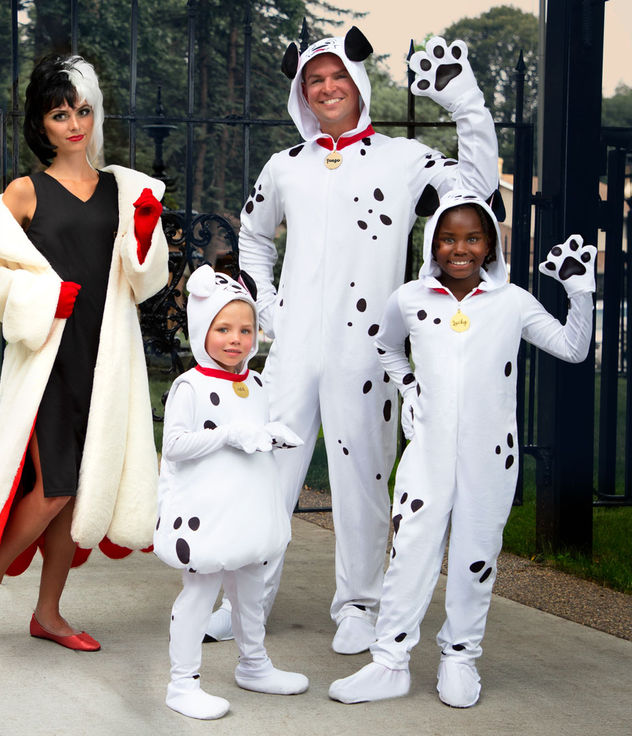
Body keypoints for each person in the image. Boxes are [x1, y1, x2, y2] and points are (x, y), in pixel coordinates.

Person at [206, 28, 499, 654]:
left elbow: (476, 185)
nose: (328, 88)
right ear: (302, 93)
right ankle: (244, 599)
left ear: (358, 82)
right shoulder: (284, 166)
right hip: (293, 347)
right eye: (315, 80)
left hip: (367, 348)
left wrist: (465, 105)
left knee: (364, 476)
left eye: (337, 76)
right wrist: (266, 307)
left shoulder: (404, 158)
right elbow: (254, 236)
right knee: (265, 468)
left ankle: (360, 604)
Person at [328, 190, 595, 707]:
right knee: (410, 551)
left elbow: (573, 348)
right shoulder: (410, 298)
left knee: (478, 553)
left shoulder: (512, 302)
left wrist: (579, 292)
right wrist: (409, 388)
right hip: (427, 451)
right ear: (433, 242)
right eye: (449, 238)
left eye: (473, 238)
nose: (460, 248)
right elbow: (385, 346)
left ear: (490, 245)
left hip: (491, 454)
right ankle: (389, 660)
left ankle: (461, 656)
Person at [0, 54, 168, 650]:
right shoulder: (26, 191)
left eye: (83, 110)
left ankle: (48, 614)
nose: (74, 123)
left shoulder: (126, 190)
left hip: (107, 357)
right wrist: (40, 297)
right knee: (54, 489)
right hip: (50, 356)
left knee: (81, 491)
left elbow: (147, 280)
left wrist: (145, 237)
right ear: (41, 124)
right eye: (59, 113)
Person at [154, 265, 308, 720]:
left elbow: (252, 436)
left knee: (250, 591)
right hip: (205, 514)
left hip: (248, 511)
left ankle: (254, 665)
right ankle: (182, 683)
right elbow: (176, 446)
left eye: (246, 329)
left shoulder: (255, 383)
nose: (235, 339)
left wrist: (270, 433)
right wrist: (228, 435)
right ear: (203, 331)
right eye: (223, 329)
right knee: (200, 594)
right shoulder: (190, 386)